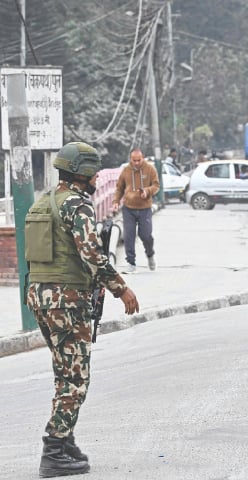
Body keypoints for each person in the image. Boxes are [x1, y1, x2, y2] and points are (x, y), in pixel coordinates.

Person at [25, 142, 140, 478]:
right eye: (93, 172)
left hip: (41, 298)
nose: (95, 179)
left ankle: (67, 440)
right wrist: (122, 289)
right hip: (66, 301)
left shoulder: (44, 201)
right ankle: (55, 448)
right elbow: (92, 255)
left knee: (64, 370)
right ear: (84, 171)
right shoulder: (78, 203)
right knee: (75, 377)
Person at [112, 148, 160, 274]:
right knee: (129, 235)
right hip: (129, 208)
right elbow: (119, 188)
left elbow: (156, 186)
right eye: (134, 160)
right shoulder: (126, 170)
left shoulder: (150, 169)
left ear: (143, 158)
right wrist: (116, 202)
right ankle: (131, 263)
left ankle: (150, 254)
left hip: (145, 208)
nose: (137, 163)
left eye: (139, 160)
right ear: (130, 159)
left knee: (146, 235)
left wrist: (147, 191)